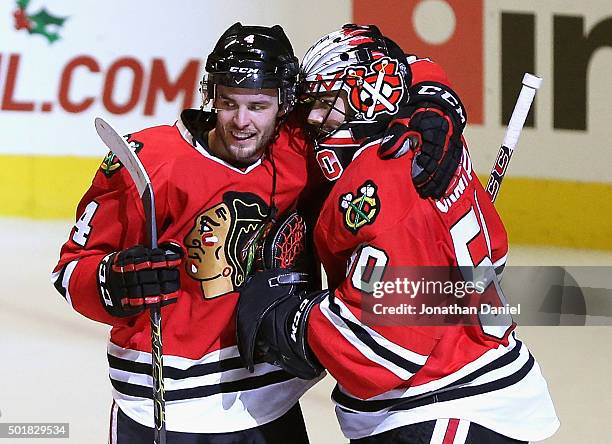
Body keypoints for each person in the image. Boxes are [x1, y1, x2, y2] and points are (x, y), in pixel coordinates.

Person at [236, 24, 560, 443]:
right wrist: (436, 97)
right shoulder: (426, 140)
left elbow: (382, 347)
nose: (313, 117)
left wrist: (292, 322)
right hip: (477, 374)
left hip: (441, 405)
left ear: (363, 96)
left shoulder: (378, 182)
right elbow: (413, 69)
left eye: (324, 102)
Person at [51, 23, 319, 444]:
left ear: (284, 104)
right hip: (162, 404)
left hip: (270, 402)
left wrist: (438, 110)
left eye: (258, 105)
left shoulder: (302, 155)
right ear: (210, 96)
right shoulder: (152, 162)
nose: (241, 121)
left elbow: (395, 89)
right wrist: (112, 282)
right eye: (228, 103)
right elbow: (69, 271)